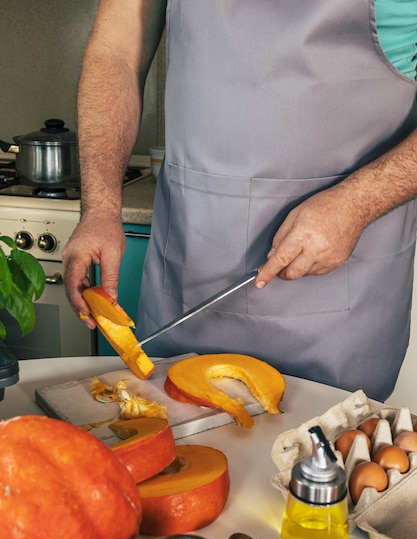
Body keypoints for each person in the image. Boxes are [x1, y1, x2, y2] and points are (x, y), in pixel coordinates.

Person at [63, 0, 417, 402]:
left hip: (339, 299)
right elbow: (117, 50)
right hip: (188, 282)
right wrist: (100, 209)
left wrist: (359, 202)